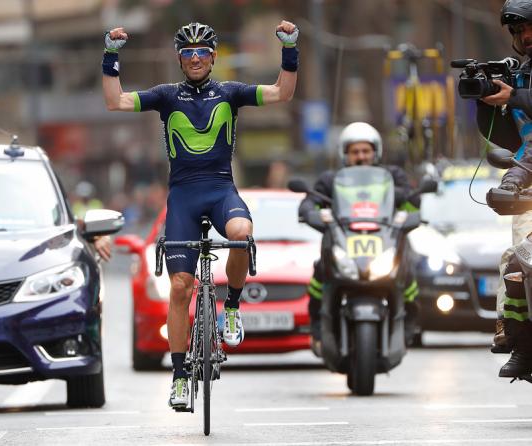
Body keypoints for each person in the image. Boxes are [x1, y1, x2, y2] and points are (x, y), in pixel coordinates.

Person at [102, 21, 298, 408]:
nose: (194, 58)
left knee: (241, 232)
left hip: (221, 190)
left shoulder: (231, 92)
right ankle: (178, 376)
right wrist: (110, 56)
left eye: (202, 52)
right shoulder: (165, 96)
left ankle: (232, 307)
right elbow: (116, 101)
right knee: (179, 287)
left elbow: (282, 92)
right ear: (179, 59)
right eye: (187, 53)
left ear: (213, 57)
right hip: (184, 198)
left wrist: (290, 48)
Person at [298, 122, 421, 357]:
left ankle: (408, 325)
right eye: (355, 152)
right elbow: (308, 202)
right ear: (345, 154)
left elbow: (413, 204)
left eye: (366, 151)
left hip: (385, 240)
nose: (361, 156)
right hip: (343, 242)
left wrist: (406, 204)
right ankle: (318, 330)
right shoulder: (329, 180)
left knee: (407, 273)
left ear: (376, 152)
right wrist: (311, 212)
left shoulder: (393, 177)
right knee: (320, 275)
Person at [478, 0, 532, 377]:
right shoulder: (520, 73)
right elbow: (512, 141)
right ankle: (521, 343)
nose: (525, 37)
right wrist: (487, 101)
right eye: (518, 31)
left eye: (531, 29)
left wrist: (512, 96)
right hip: (529, 175)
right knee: (517, 263)